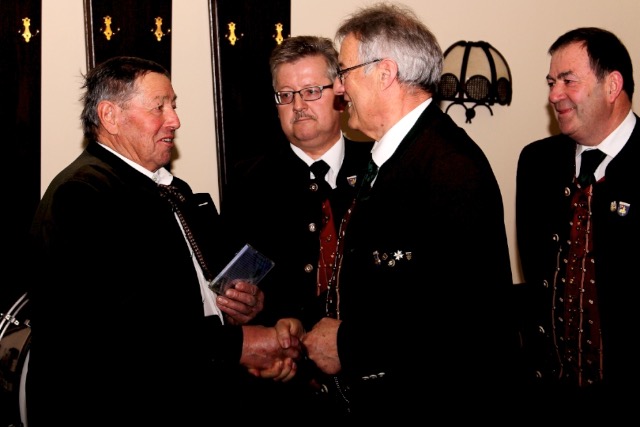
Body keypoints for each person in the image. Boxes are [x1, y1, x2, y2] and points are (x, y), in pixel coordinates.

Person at [24, 56, 303, 427]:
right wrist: (242, 345)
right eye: (159, 107)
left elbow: (195, 295)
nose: (175, 120)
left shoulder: (172, 188)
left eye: (174, 106)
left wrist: (242, 306)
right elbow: (126, 328)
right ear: (110, 116)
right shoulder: (83, 195)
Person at [300, 2, 523, 422]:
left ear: (385, 73)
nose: (339, 89)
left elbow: (460, 319)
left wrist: (347, 344)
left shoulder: (449, 168)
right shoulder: (400, 155)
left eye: (344, 72)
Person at [220, 36, 374, 420]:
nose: (299, 105)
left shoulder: (378, 168)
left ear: (340, 94)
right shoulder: (248, 182)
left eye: (311, 91)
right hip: (281, 393)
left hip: (370, 379)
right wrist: (255, 319)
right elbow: (237, 288)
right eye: (286, 95)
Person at [516, 27, 638, 415]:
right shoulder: (536, 163)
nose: (554, 95)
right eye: (551, 82)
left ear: (612, 85)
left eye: (568, 81)